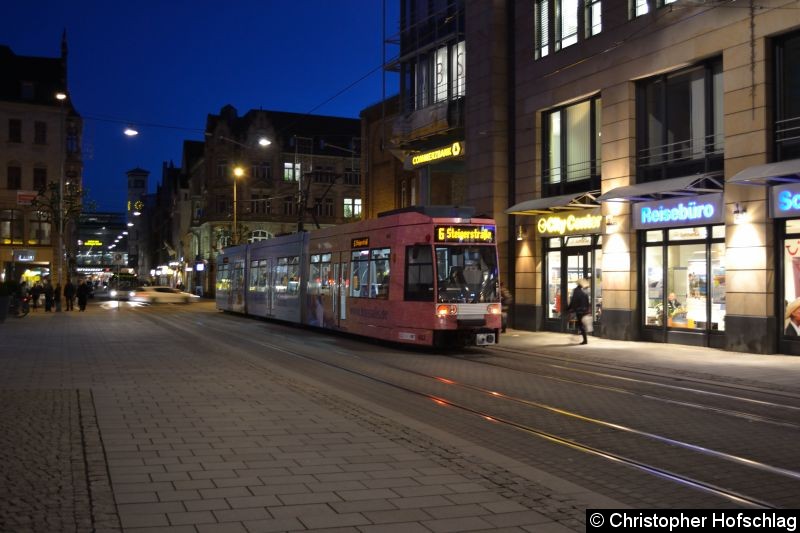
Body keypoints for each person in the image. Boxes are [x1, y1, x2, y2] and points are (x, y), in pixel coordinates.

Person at [567, 278, 591, 345]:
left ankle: (584, 340)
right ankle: (582, 338)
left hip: (579, 311)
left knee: (580, 325)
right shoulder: (584, 291)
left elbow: (573, 301)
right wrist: (587, 310)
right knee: (580, 324)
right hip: (584, 311)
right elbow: (587, 302)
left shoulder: (576, 291)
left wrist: (569, 308)